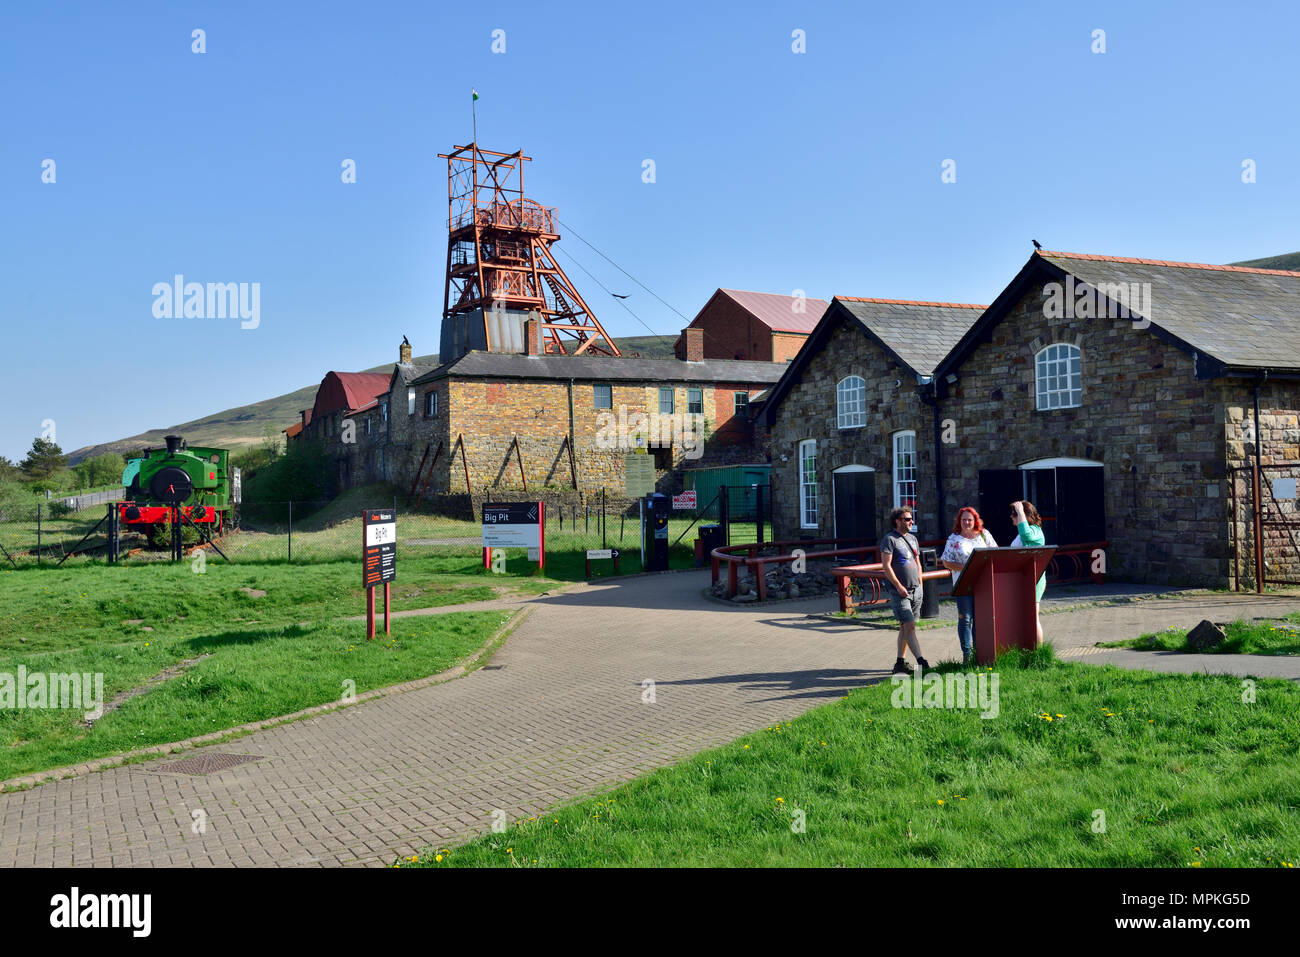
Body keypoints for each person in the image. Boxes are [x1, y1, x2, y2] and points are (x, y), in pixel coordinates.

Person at [940, 507, 997, 664]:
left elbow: (995, 553)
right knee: (965, 619)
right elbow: (946, 561)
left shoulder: (984, 535)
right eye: (964, 519)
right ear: (959, 521)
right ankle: (967, 654)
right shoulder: (954, 539)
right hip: (963, 583)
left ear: (975, 521)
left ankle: (981, 654)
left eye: (970, 520)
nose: (967, 522)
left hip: (982, 583)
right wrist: (967, 567)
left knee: (981, 619)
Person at [880, 506, 931, 674]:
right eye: (907, 519)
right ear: (897, 521)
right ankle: (921, 662)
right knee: (909, 625)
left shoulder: (912, 539)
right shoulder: (889, 539)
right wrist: (898, 586)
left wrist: (921, 584)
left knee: (905, 627)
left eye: (911, 519)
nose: (911, 522)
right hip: (900, 592)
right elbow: (886, 566)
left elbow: (917, 562)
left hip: (916, 590)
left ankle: (900, 663)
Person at [1010, 500, 1046, 645]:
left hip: (1034, 579)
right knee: (1025, 616)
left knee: (1033, 617)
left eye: (1014, 514)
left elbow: (1026, 535)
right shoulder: (1021, 533)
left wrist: (1020, 511)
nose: (1011, 517)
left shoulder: (1035, 531)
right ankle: (1025, 646)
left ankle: (1038, 651)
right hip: (1022, 578)